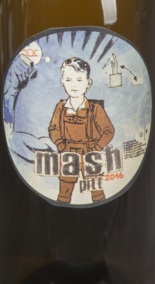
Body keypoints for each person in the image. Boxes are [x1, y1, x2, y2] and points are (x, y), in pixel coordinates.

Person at [48, 57, 115, 203]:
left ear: (88, 83)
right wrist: (60, 144)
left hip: (90, 153)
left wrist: (96, 147)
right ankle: (61, 211)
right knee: (65, 189)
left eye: (79, 80)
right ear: (62, 82)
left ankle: (100, 209)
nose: (74, 85)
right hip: (68, 152)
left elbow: (108, 130)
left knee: (96, 189)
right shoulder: (60, 108)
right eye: (69, 80)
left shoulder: (95, 108)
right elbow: (53, 128)